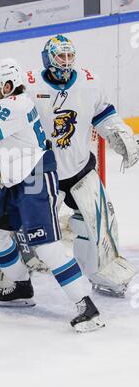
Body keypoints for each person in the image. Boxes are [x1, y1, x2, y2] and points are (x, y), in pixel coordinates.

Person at [0, 51, 105, 333]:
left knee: (46, 246)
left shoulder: (14, 106)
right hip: (16, 182)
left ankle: (86, 305)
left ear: (9, 86)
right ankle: (21, 286)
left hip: (36, 179)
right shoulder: (4, 100)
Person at [24, 34, 138, 297]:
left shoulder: (89, 82)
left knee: (99, 224)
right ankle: (16, 280)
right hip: (42, 173)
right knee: (24, 228)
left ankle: (102, 273)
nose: (65, 62)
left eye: (69, 56)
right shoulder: (29, 85)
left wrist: (117, 132)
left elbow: (104, 112)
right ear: (48, 58)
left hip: (79, 170)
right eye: (59, 56)